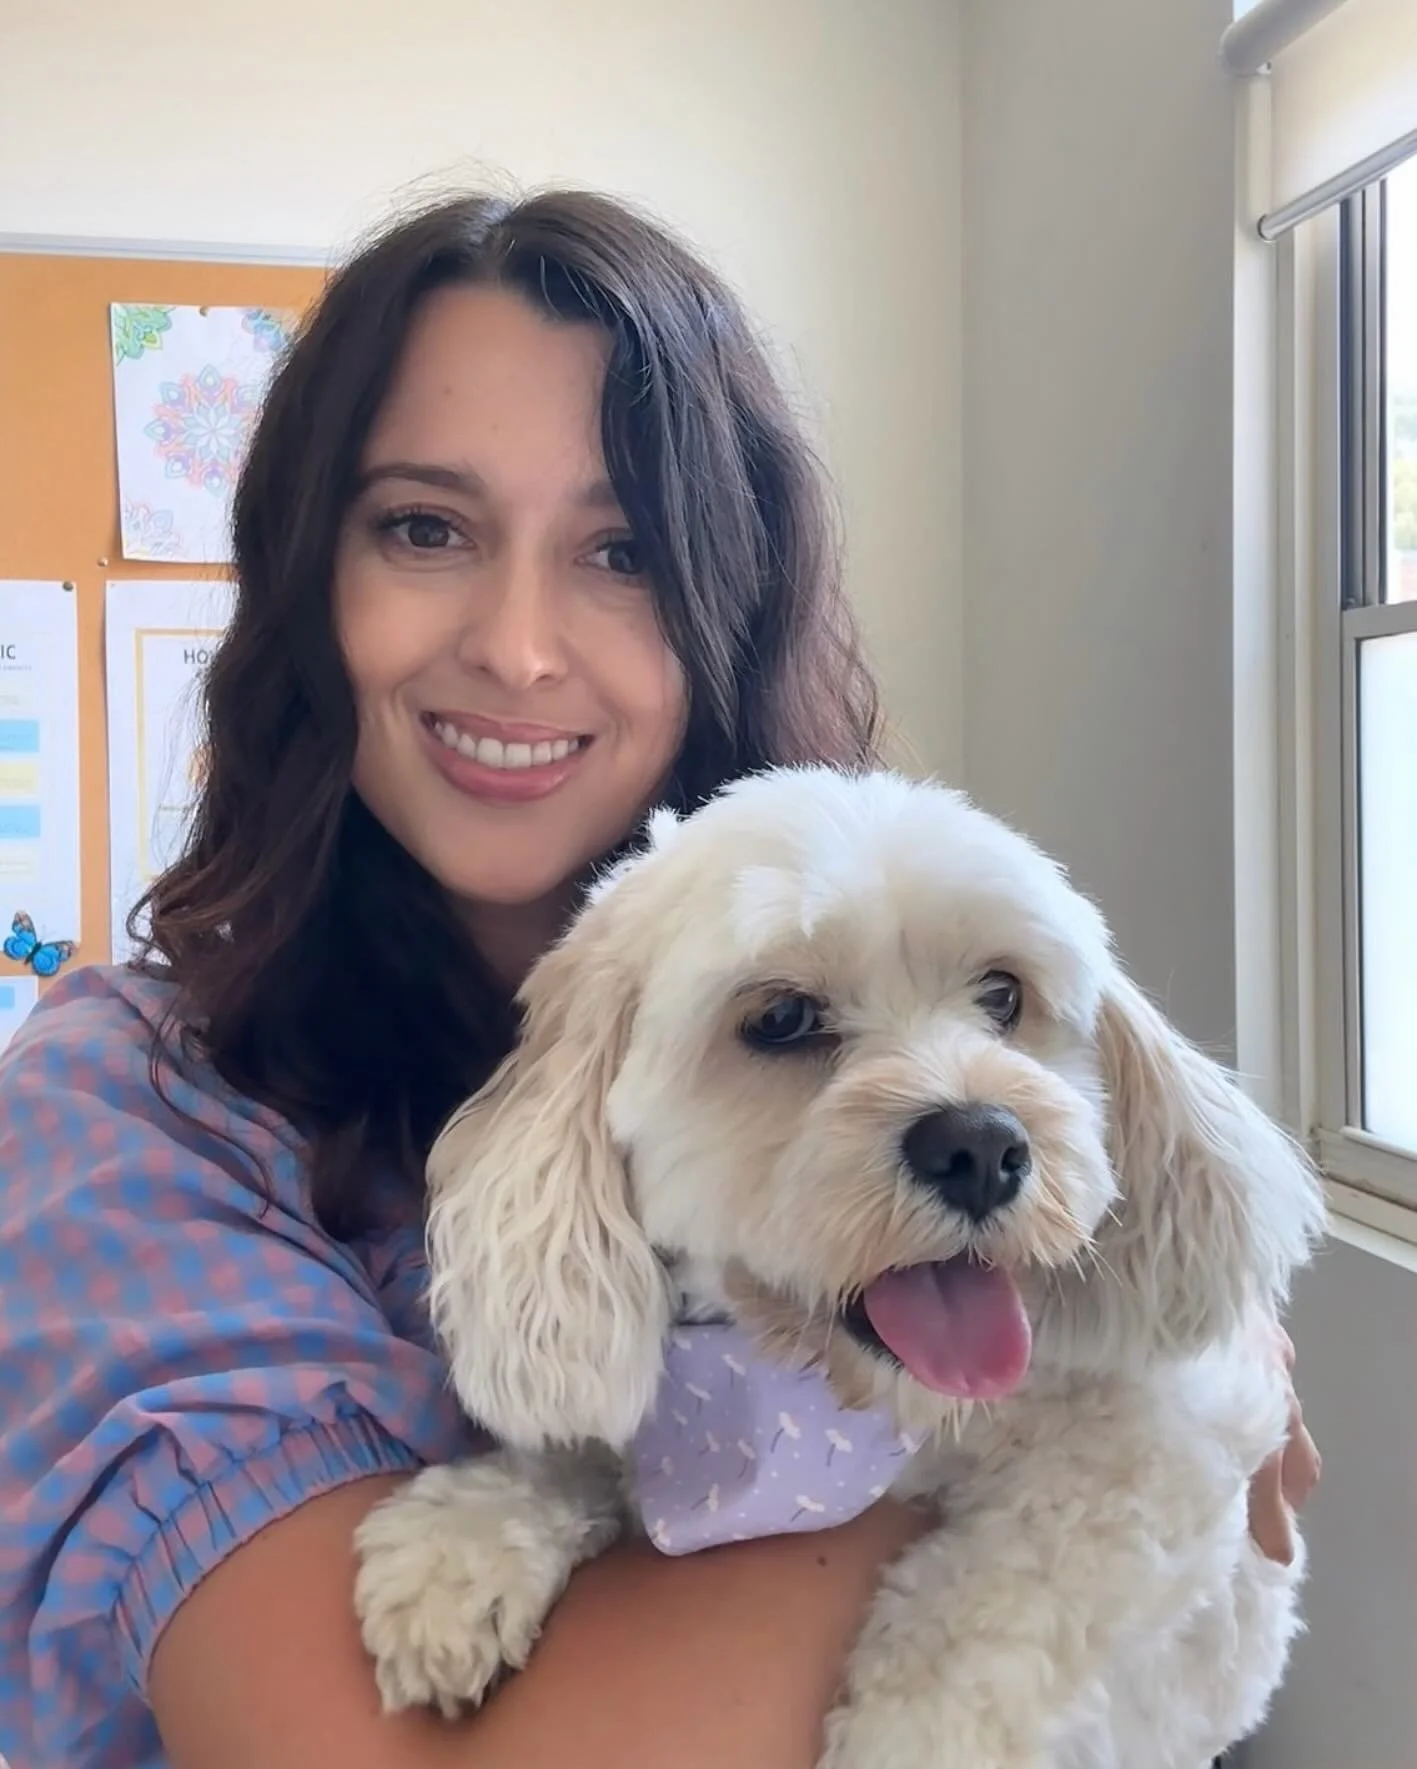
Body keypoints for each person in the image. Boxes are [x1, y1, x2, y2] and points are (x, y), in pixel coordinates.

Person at [0, 189, 1319, 1769]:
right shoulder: (129, 1103)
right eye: (425, 527)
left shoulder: (895, 890)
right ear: (306, 580)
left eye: (622, 550)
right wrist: (1116, 1452)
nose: (521, 647)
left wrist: (1158, 1369)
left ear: (727, 594)